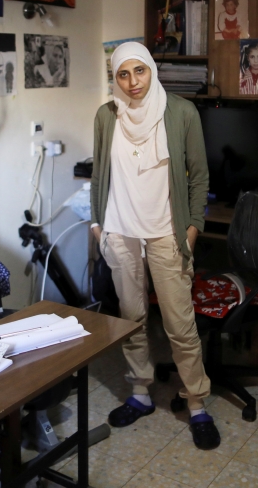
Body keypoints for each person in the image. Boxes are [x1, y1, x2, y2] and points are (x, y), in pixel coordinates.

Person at [90, 41, 220, 450]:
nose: (132, 83)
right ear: (115, 78)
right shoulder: (105, 115)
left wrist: (193, 228)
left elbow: (199, 175)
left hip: (167, 232)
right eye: (123, 74)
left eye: (139, 72)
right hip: (120, 230)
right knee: (131, 319)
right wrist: (98, 224)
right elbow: (99, 171)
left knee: (180, 326)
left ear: (151, 71)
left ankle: (197, 404)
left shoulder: (180, 112)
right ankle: (140, 393)